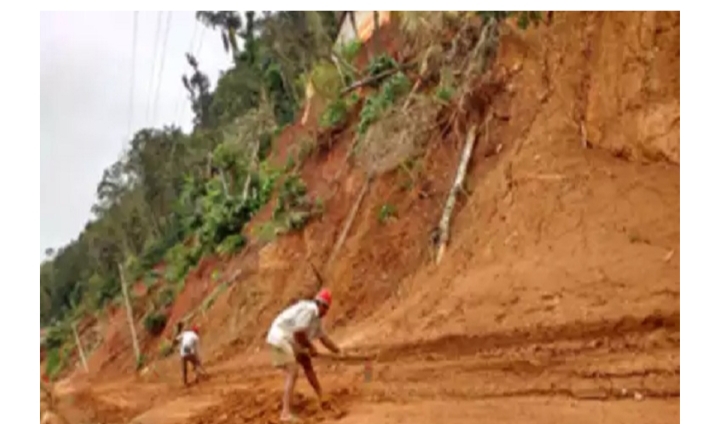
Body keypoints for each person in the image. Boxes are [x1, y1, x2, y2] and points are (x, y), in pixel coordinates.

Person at [266, 288, 342, 422]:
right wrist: (311, 347)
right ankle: (285, 413)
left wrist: (338, 351)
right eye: (326, 309)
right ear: (321, 305)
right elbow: (298, 333)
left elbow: (324, 339)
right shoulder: (309, 310)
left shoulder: (316, 319)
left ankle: (321, 396)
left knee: (307, 363)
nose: (326, 313)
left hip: (290, 340)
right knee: (293, 371)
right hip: (280, 337)